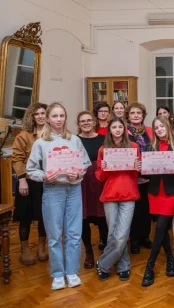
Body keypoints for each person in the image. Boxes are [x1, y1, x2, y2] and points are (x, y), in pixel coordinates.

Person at [26, 102, 92, 290]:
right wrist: (44, 176)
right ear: (48, 119)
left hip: (73, 190)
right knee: (54, 234)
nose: (58, 119)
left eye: (62, 115)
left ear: (65, 118)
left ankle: (72, 271)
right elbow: (31, 169)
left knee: (74, 232)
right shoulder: (41, 143)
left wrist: (77, 173)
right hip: (52, 190)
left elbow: (85, 163)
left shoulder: (74, 140)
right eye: (55, 116)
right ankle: (57, 274)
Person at [141, 116, 174, 287]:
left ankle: (150, 266)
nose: (159, 129)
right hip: (154, 193)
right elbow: (146, 174)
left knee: (161, 226)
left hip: (170, 193)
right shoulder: (149, 148)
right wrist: (140, 169)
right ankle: (170, 259)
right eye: (156, 127)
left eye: (162, 126)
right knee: (161, 229)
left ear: (168, 126)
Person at [95, 117, 142, 281]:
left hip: (128, 193)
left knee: (122, 235)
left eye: (120, 127)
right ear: (109, 130)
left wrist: (138, 167)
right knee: (112, 234)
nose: (117, 129)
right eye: (114, 127)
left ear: (124, 129)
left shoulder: (133, 147)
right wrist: (104, 168)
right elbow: (100, 176)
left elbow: (136, 174)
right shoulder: (103, 149)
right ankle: (123, 266)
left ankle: (103, 264)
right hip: (110, 194)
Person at [12, 102, 48, 266]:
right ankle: (24, 249)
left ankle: (41, 247)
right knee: (24, 216)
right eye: (37, 114)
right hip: (27, 180)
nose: (40, 116)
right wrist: (21, 180)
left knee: (44, 216)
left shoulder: (53, 134)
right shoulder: (24, 135)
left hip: (46, 181)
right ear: (32, 117)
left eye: (43, 113)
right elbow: (17, 158)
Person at [76, 111, 108, 269]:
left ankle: (106, 247)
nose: (86, 123)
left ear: (94, 122)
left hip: (100, 181)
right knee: (83, 217)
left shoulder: (104, 139)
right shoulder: (74, 140)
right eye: (82, 121)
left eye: (89, 120)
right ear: (78, 124)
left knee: (103, 216)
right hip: (81, 182)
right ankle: (88, 251)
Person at [125, 102, 153, 254]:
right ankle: (134, 239)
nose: (136, 115)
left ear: (143, 115)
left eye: (138, 113)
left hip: (149, 175)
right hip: (132, 175)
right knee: (134, 209)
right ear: (128, 116)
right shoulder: (124, 132)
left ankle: (145, 237)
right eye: (132, 113)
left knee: (146, 208)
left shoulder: (149, 131)